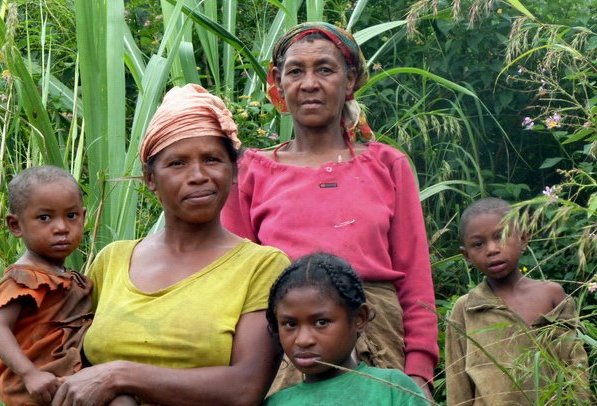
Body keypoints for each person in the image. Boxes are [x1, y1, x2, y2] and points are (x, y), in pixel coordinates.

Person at [222, 21, 438, 397]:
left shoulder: (387, 165)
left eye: (324, 69)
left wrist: (419, 370)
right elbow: (235, 284)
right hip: (287, 350)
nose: (309, 84)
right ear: (277, 82)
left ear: (350, 79)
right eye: (295, 71)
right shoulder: (250, 171)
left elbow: (414, 276)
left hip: (378, 340)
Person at [51, 84, 291, 405]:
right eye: (177, 163)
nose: (198, 176)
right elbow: (68, 359)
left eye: (211, 159)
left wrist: (120, 374)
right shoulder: (111, 261)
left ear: (234, 171)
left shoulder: (262, 266)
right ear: (150, 179)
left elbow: (245, 388)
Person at [445, 197, 594, 405]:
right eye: (478, 244)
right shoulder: (467, 308)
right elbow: (457, 383)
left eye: (501, 237)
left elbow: (576, 364)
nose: (492, 249)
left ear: (523, 238)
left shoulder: (552, 295)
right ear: (467, 255)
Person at [0, 166, 94, 405]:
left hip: (66, 384)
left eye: (71, 216)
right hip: (36, 389)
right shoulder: (25, 278)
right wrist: (29, 373)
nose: (61, 228)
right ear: (16, 225)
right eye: (44, 218)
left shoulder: (71, 278)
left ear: (84, 217)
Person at [264, 253, 429, 405]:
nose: (303, 340)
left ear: (359, 318)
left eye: (321, 322)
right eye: (290, 324)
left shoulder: (394, 388)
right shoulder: (275, 403)